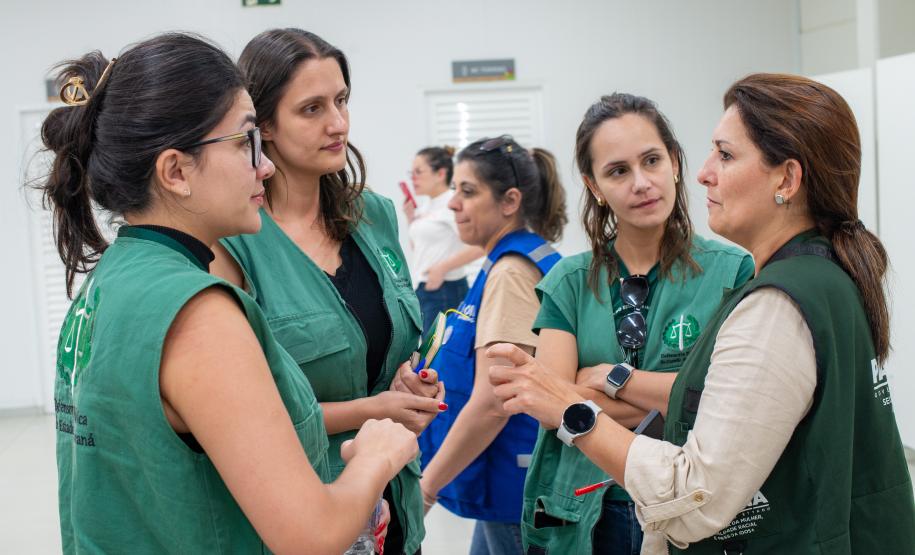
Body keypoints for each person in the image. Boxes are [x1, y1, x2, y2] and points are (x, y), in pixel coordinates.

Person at [487, 73, 915, 554]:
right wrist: (665, 397)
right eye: (617, 170)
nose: (703, 172)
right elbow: (704, 406)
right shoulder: (823, 276)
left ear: (787, 179)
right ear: (595, 186)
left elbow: (693, 499)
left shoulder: (773, 299)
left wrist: (589, 395)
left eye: (726, 155)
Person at [42, 33, 418, 554]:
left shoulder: (114, 281)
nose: (264, 165)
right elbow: (312, 536)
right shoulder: (197, 312)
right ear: (176, 171)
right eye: (245, 143)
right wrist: (377, 451)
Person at [212, 28, 442, 555]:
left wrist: (407, 382)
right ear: (263, 124)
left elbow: (393, 343)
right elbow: (249, 414)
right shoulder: (234, 245)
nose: (337, 124)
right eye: (311, 109)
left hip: (394, 498)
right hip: (308, 507)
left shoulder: (375, 215)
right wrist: (372, 409)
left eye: (341, 101)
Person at [518, 94, 753, 555]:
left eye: (651, 161)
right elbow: (550, 405)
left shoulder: (732, 272)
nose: (642, 183)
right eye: (618, 171)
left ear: (676, 163)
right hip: (589, 511)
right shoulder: (567, 282)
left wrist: (609, 379)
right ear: (595, 185)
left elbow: (728, 399)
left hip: (687, 502)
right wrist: (675, 395)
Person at [414, 136, 567, 555]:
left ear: (510, 201)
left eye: (467, 191)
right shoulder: (517, 258)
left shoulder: (512, 273)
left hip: (511, 488)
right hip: (505, 486)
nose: (452, 204)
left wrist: (426, 491)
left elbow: (494, 401)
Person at [403, 146, 484, 335]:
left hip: (445, 290)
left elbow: (481, 246)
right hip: (423, 289)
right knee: (427, 354)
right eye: (411, 172)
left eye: (418, 172)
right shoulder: (426, 205)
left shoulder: (452, 204)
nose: (413, 178)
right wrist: (410, 219)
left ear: (440, 173)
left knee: (439, 357)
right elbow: (419, 249)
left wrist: (442, 268)